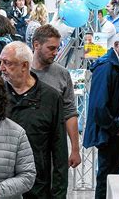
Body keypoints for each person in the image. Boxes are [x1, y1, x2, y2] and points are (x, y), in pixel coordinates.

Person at [0, 42, 68, 198]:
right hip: (2, 185)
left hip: (36, 185)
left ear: (24, 66)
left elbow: (59, 150)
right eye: (1, 61)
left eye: (7, 63)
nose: (1, 68)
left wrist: (59, 193)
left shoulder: (50, 97)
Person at [83, 29, 119, 199]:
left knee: (113, 175)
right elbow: (99, 106)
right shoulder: (107, 66)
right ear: (116, 45)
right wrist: (115, 129)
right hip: (111, 132)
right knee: (106, 177)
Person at [31, 25, 81, 169]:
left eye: (57, 48)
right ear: (36, 45)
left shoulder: (62, 74)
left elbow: (70, 112)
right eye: (51, 48)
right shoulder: (21, 71)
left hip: (53, 147)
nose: (55, 53)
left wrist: (75, 149)